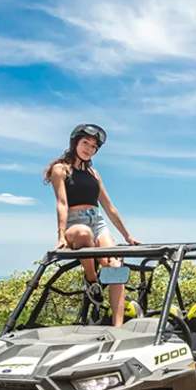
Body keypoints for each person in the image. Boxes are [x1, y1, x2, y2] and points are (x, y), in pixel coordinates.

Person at [44, 123, 140, 327]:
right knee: (83, 232)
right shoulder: (60, 169)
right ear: (75, 143)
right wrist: (61, 236)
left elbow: (109, 207)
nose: (88, 149)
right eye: (85, 143)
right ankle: (92, 280)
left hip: (97, 221)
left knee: (115, 265)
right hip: (74, 224)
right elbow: (61, 203)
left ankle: (118, 326)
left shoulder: (94, 174)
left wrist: (127, 236)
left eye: (93, 146)